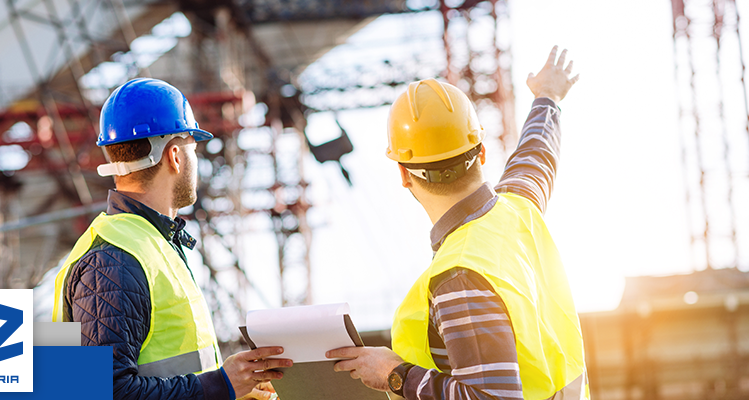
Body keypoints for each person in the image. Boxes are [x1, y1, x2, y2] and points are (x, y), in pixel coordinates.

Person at [327, 46, 587, 400]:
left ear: (404, 175)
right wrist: (547, 97)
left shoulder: (460, 275)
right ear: (480, 152)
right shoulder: (517, 211)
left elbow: (492, 397)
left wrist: (395, 375)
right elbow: (536, 156)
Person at [51, 78, 291, 400]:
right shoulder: (115, 260)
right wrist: (222, 384)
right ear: (175, 156)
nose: (196, 161)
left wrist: (233, 392)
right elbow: (105, 392)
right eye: (194, 147)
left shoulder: (147, 244)